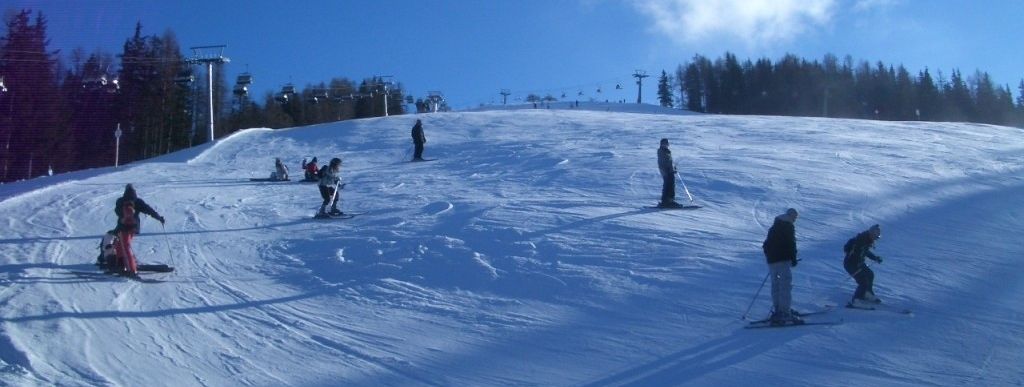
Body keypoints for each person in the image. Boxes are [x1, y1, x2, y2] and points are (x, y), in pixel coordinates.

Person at [112, 184, 164, 275]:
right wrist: (159, 218)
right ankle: (124, 265)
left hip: (123, 226)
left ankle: (130, 268)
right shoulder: (138, 201)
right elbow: (149, 210)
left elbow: (117, 212)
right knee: (122, 245)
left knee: (123, 245)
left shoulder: (120, 201)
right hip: (133, 227)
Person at [762, 208, 802, 325]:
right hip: (783, 261)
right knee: (785, 285)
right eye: (795, 217)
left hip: (772, 261)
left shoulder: (774, 227)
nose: (795, 220)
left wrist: (770, 257)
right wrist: (793, 259)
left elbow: (766, 245)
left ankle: (779, 310)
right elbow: (791, 244)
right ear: (791, 216)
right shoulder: (788, 226)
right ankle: (784, 312)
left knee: (776, 285)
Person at [844, 224, 884, 307]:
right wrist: (857, 263)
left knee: (870, 274)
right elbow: (854, 253)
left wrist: (875, 258)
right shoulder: (861, 241)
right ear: (871, 234)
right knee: (863, 281)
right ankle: (856, 300)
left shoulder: (867, 240)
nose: (876, 239)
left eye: (877, 237)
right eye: (875, 237)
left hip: (859, 263)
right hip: (851, 264)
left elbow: (865, 252)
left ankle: (867, 293)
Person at [657, 138, 681, 208]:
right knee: (668, 185)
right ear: (662, 144)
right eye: (665, 143)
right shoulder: (661, 151)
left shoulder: (667, 151)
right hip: (666, 171)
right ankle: (666, 201)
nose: (666, 145)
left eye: (667, 143)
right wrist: (666, 170)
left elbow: (670, 162)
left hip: (669, 171)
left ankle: (669, 201)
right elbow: (662, 163)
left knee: (671, 185)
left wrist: (673, 168)